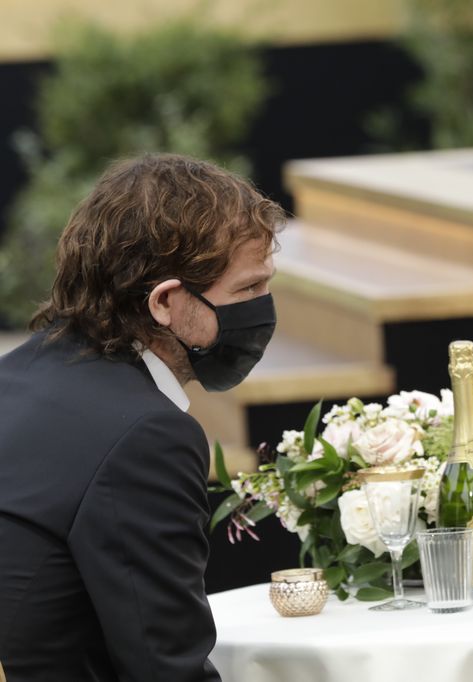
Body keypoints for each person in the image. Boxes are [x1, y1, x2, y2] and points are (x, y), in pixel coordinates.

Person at [0, 154, 283, 681]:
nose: (265, 308)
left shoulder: (15, 377)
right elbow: (164, 667)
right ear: (165, 303)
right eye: (248, 290)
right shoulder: (145, 436)